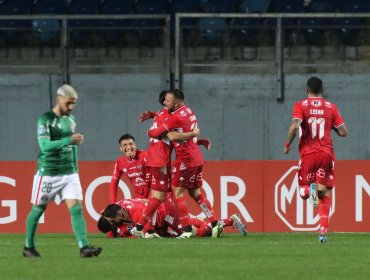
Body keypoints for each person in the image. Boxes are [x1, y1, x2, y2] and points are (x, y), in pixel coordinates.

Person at [23, 84, 102, 258]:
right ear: (58, 99)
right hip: (48, 173)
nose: (71, 107)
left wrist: (75, 168)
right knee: (38, 209)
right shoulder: (45, 120)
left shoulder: (70, 120)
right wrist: (68, 140)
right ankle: (28, 246)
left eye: (74, 103)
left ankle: (84, 247)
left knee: (76, 210)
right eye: (68, 103)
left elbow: (72, 147)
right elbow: (44, 147)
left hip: (69, 173)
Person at [144, 89, 223, 239]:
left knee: (176, 193)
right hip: (196, 158)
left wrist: (150, 130)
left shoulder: (175, 118)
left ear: (177, 103)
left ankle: (187, 230)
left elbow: (160, 134)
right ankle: (215, 223)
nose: (164, 103)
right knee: (196, 193)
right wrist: (154, 114)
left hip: (186, 159)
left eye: (167, 101)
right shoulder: (188, 111)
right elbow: (180, 128)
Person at [283, 77, 348, 243]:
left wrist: (287, 143)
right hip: (327, 155)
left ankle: (309, 189)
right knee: (324, 194)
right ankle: (323, 232)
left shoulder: (301, 105)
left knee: (304, 193)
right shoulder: (331, 107)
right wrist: (330, 124)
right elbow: (343, 132)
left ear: (307, 90)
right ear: (322, 90)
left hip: (309, 154)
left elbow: (295, 126)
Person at [130, 90, 202, 238]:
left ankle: (143, 229)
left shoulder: (162, 114)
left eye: (167, 101)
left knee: (157, 197)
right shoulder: (170, 116)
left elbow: (161, 119)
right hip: (160, 161)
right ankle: (187, 228)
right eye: (165, 101)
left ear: (174, 103)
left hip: (154, 158)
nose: (165, 103)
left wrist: (150, 115)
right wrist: (194, 135)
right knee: (168, 195)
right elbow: (159, 134)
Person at [98, 199, 247, 238]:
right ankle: (231, 220)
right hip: (163, 212)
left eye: (114, 224)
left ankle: (229, 221)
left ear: (117, 216)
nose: (115, 227)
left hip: (166, 214)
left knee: (197, 233)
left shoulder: (136, 212)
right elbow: (108, 214)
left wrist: (162, 233)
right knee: (197, 224)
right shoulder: (116, 208)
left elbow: (143, 233)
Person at [109, 134, 150, 203]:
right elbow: (113, 183)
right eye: (125, 145)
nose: (128, 147)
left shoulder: (145, 155)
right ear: (121, 148)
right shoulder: (120, 162)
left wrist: (149, 198)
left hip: (153, 196)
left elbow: (156, 179)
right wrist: (113, 204)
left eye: (131, 144)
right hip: (138, 198)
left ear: (135, 145)